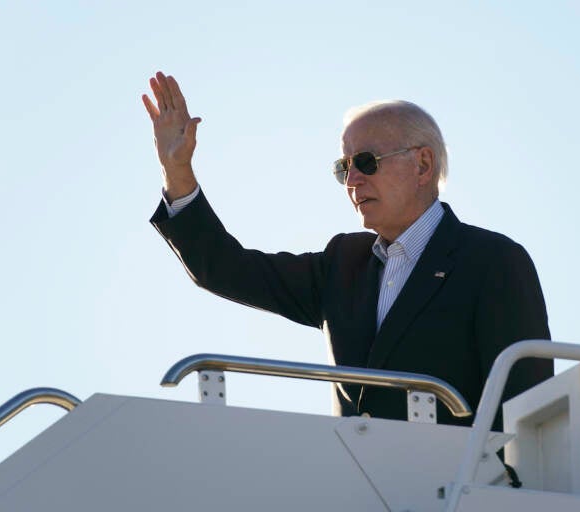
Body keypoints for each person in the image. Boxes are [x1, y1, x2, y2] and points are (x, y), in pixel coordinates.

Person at [144, 71, 552, 430]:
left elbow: (525, 403)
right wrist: (176, 171)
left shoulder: (492, 260)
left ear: (423, 166)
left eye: (366, 161)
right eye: (344, 168)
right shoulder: (343, 263)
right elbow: (225, 268)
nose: (352, 179)